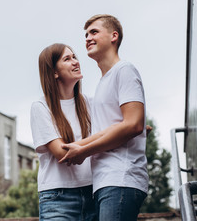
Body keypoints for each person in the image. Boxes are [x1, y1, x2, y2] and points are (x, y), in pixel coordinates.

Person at [59, 14, 149, 221]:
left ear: (113, 36)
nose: (88, 38)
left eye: (94, 32)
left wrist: (84, 150)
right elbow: (109, 129)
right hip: (106, 182)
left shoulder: (124, 70)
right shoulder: (102, 83)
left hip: (121, 178)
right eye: (86, 34)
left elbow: (133, 124)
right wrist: (79, 146)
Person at [30, 43, 96, 221]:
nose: (76, 62)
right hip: (58, 197)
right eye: (67, 59)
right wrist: (107, 137)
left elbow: (121, 129)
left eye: (75, 57)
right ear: (54, 72)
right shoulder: (41, 107)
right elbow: (62, 152)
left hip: (94, 192)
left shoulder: (91, 104)